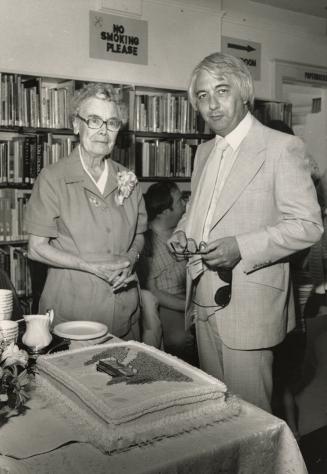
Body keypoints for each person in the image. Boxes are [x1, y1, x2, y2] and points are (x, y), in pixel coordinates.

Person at [167, 52, 323, 412]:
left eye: (221, 91)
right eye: (203, 96)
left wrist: (242, 246)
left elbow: (309, 225)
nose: (212, 104)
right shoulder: (204, 152)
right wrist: (181, 233)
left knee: (250, 417)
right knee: (218, 413)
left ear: (244, 93)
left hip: (249, 304)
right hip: (203, 297)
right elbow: (197, 212)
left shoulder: (281, 147)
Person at [25, 83, 147, 340]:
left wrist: (131, 258)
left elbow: (139, 235)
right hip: (73, 314)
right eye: (94, 120)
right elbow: (36, 248)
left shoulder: (128, 179)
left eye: (112, 122)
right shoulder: (52, 178)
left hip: (124, 310)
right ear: (76, 125)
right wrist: (90, 266)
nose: (103, 131)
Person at [138, 181, 198, 365]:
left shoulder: (183, 232)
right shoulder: (146, 242)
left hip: (192, 296)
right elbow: (153, 291)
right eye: (180, 200)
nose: (185, 204)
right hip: (168, 303)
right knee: (180, 340)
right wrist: (187, 306)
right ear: (165, 211)